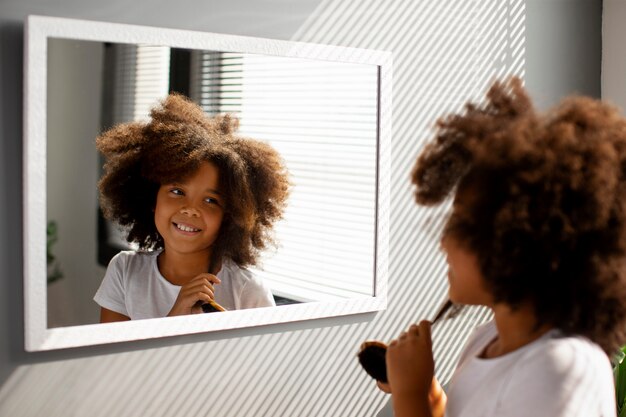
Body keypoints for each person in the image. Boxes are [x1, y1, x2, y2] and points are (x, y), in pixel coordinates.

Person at [383, 77, 626, 416]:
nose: (443, 242)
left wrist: (409, 397)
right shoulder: (487, 340)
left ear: (519, 240)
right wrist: (427, 392)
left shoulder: (560, 368)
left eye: (462, 224)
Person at [93, 93, 290, 322]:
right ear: (151, 198)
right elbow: (117, 358)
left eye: (211, 200)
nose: (190, 209)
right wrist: (176, 316)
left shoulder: (248, 293)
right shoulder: (124, 271)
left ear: (229, 216)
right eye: (177, 192)